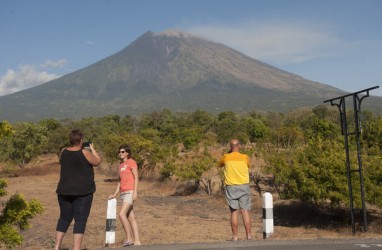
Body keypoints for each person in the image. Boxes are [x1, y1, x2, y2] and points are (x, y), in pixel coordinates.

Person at [54, 129, 101, 250]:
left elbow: (62, 161)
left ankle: (56, 247)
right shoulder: (84, 152)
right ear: (81, 140)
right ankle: (76, 248)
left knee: (64, 218)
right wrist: (92, 149)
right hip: (83, 193)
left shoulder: (63, 151)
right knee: (80, 220)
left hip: (64, 192)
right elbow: (97, 162)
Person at [218, 139, 252, 241]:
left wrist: (228, 154)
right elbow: (248, 166)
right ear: (239, 146)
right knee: (245, 211)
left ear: (230, 146)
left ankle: (235, 236)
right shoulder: (245, 157)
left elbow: (220, 164)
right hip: (244, 185)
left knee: (234, 211)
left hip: (231, 187)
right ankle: (249, 235)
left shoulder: (226, 157)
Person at [108, 144, 141, 246]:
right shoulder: (120, 166)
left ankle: (129, 238)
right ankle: (137, 241)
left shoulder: (131, 162)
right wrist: (115, 194)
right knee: (131, 218)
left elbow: (136, 178)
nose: (120, 153)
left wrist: (135, 192)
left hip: (129, 192)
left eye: (122, 152)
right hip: (123, 193)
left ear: (127, 153)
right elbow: (120, 181)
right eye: (119, 152)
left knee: (122, 215)